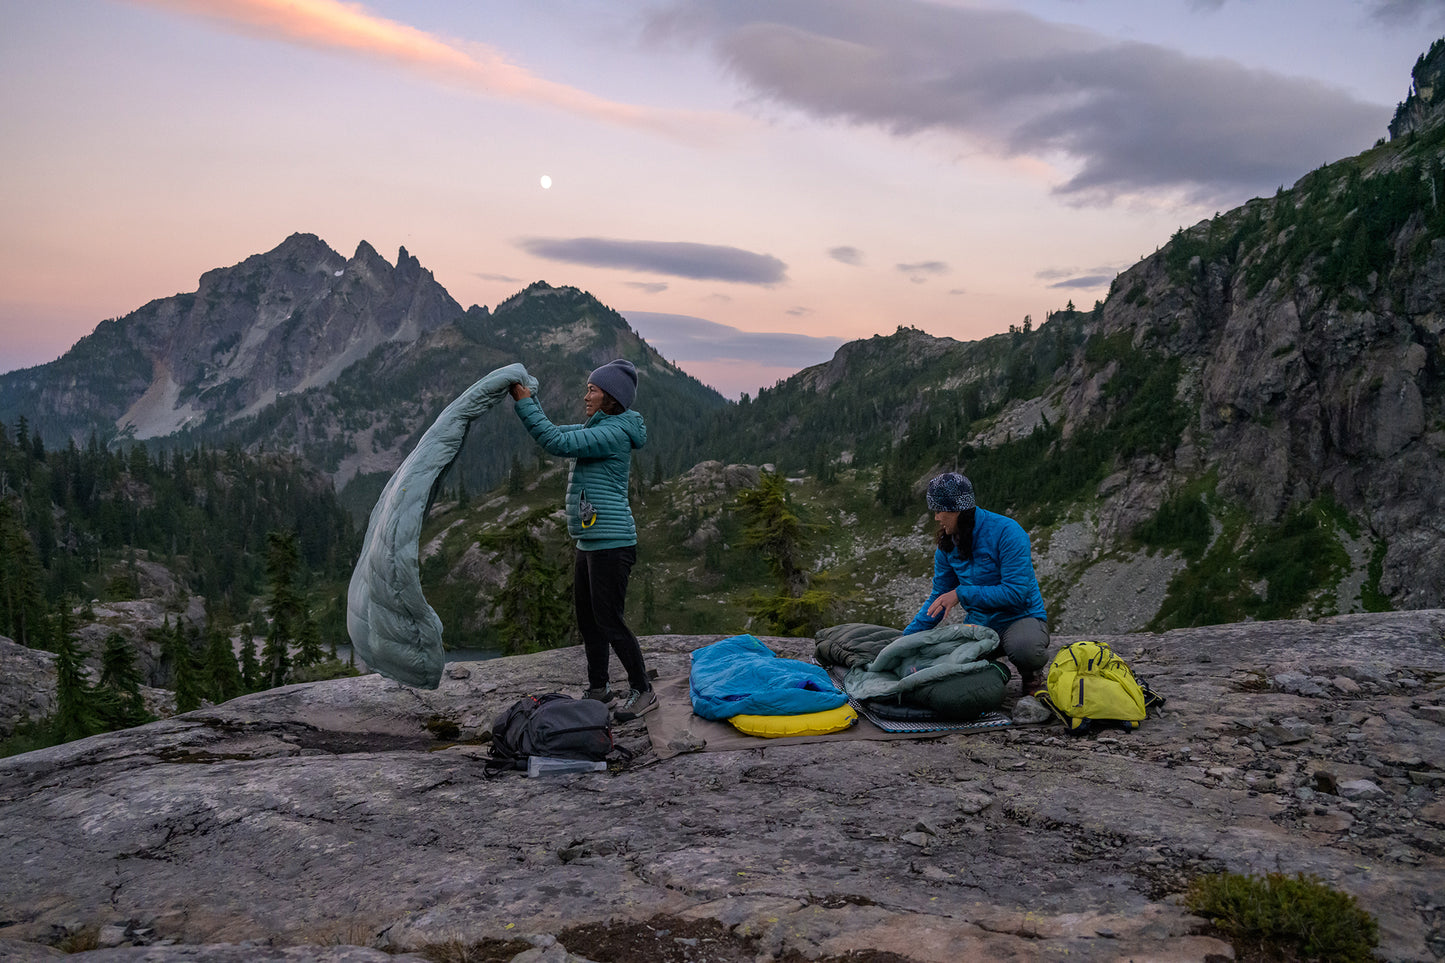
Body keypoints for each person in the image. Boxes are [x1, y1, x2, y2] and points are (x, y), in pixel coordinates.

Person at [508, 359, 657, 720]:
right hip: (590, 542)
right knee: (589, 620)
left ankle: (643, 690)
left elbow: (556, 441)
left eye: (592, 390)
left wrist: (524, 403)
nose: (585, 396)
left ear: (611, 397)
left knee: (609, 620)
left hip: (612, 544)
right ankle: (599, 690)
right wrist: (530, 399)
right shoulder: (598, 427)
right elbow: (556, 431)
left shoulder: (614, 433)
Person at [901, 472, 1051, 693]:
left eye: (939, 510)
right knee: (950, 660)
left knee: (1025, 649)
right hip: (980, 623)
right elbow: (939, 596)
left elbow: (1015, 592)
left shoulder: (1007, 532)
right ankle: (995, 672)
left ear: (957, 510)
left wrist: (961, 593)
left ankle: (1032, 675)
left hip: (1020, 617)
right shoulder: (947, 545)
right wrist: (905, 639)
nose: (936, 518)